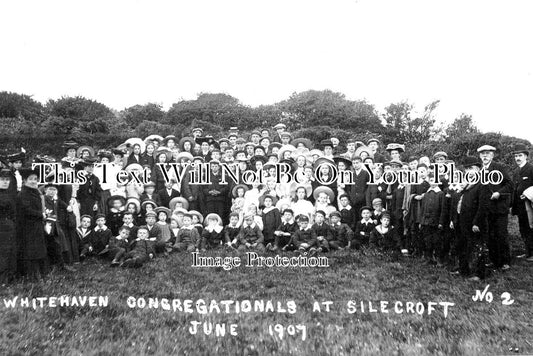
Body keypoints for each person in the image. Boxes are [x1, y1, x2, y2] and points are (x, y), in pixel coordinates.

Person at [450, 157, 488, 281]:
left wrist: (477, 222)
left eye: (471, 168)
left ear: (478, 169)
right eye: (466, 169)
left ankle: (478, 273)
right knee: (463, 245)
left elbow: (483, 206)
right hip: (462, 221)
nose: (469, 171)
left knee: (476, 246)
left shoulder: (482, 184)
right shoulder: (465, 185)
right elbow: (459, 203)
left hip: (475, 222)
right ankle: (463, 269)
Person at [478, 145, 513, 271]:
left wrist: (499, 193)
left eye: (487, 153)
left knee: (501, 234)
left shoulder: (498, 167)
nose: (485, 156)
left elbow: (510, 184)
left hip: (499, 208)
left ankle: (505, 261)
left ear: (492, 155)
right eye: (482, 154)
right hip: (487, 209)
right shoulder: (480, 171)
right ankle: (495, 261)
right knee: (490, 235)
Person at [16, 168, 48, 280]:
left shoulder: (34, 192)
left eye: (35, 179)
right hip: (28, 227)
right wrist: (41, 215)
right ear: (24, 180)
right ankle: (32, 276)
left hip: (36, 225)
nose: (34, 181)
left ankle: (39, 274)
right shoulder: (23, 194)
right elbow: (26, 210)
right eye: (31, 179)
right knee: (31, 251)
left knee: (38, 250)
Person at [511, 144, 533, 261]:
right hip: (519, 205)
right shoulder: (516, 172)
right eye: (516, 156)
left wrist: (528, 193)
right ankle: (528, 251)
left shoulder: (531, 169)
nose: (517, 158)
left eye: (520, 155)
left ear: (526, 156)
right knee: (523, 228)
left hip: (529, 205)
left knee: (531, 227)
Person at [0, 168, 17, 283]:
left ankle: (8, 278)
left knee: (9, 251)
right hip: (2, 226)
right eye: (2, 179)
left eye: (7, 179)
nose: (5, 182)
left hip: (9, 226)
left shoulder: (10, 194)